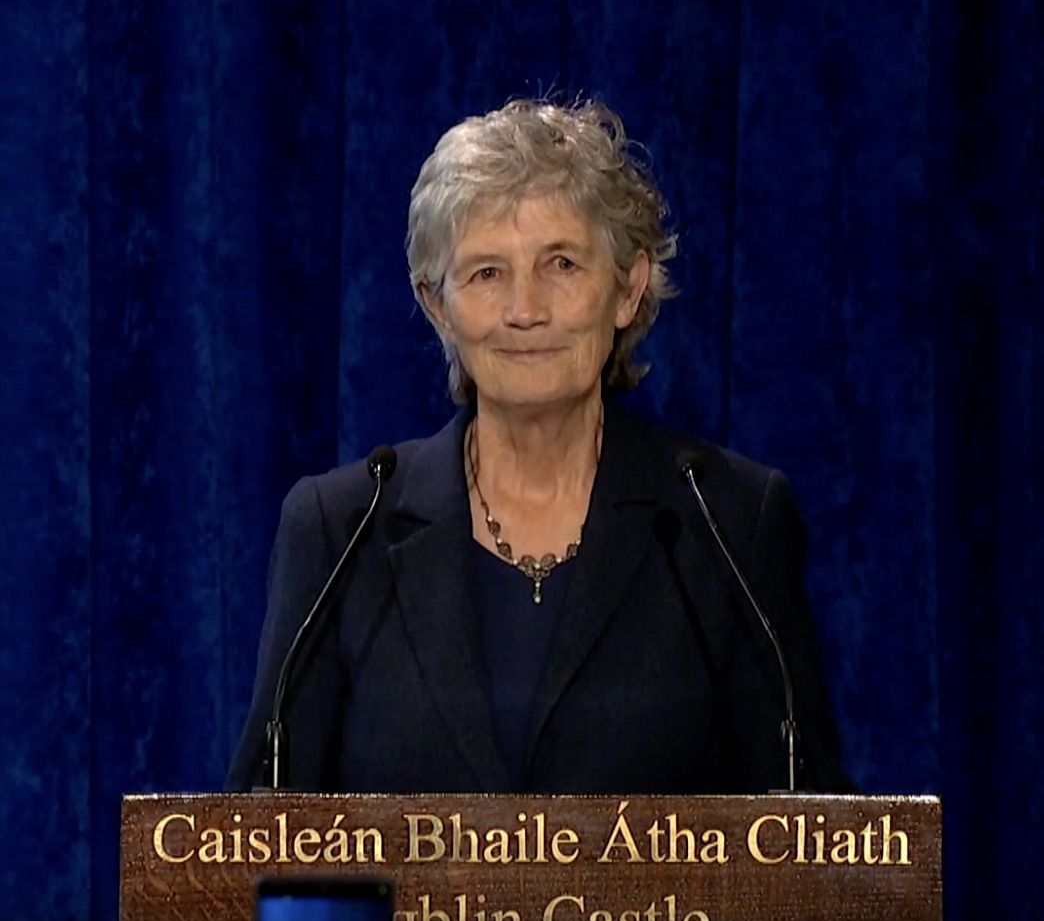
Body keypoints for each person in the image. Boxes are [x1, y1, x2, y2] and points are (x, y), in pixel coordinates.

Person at [227, 99, 846, 794]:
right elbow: (259, 843)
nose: (525, 310)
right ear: (439, 307)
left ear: (627, 288)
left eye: (561, 264)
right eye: (486, 273)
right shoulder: (340, 531)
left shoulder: (729, 521)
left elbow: (814, 843)